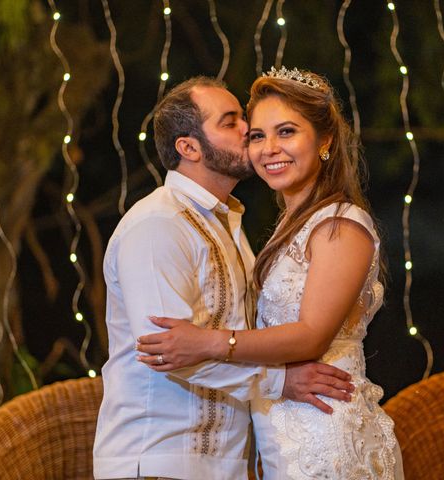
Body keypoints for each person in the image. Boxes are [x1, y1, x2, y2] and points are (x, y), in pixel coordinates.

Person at [136, 68, 405, 479]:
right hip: (283, 433)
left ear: (325, 140)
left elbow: (312, 334)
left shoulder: (340, 224)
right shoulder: (290, 224)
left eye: (286, 132)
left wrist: (207, 342)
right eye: (258, 136)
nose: (268, 148)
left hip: (325, 434)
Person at [93, 75, 356, 480]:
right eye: (231, 122)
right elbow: (167, 351)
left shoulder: (225, 222)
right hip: (161, 459)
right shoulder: (158, 224)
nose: (248, 132)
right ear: (189, 147)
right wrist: (280, 382)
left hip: (224, 464)